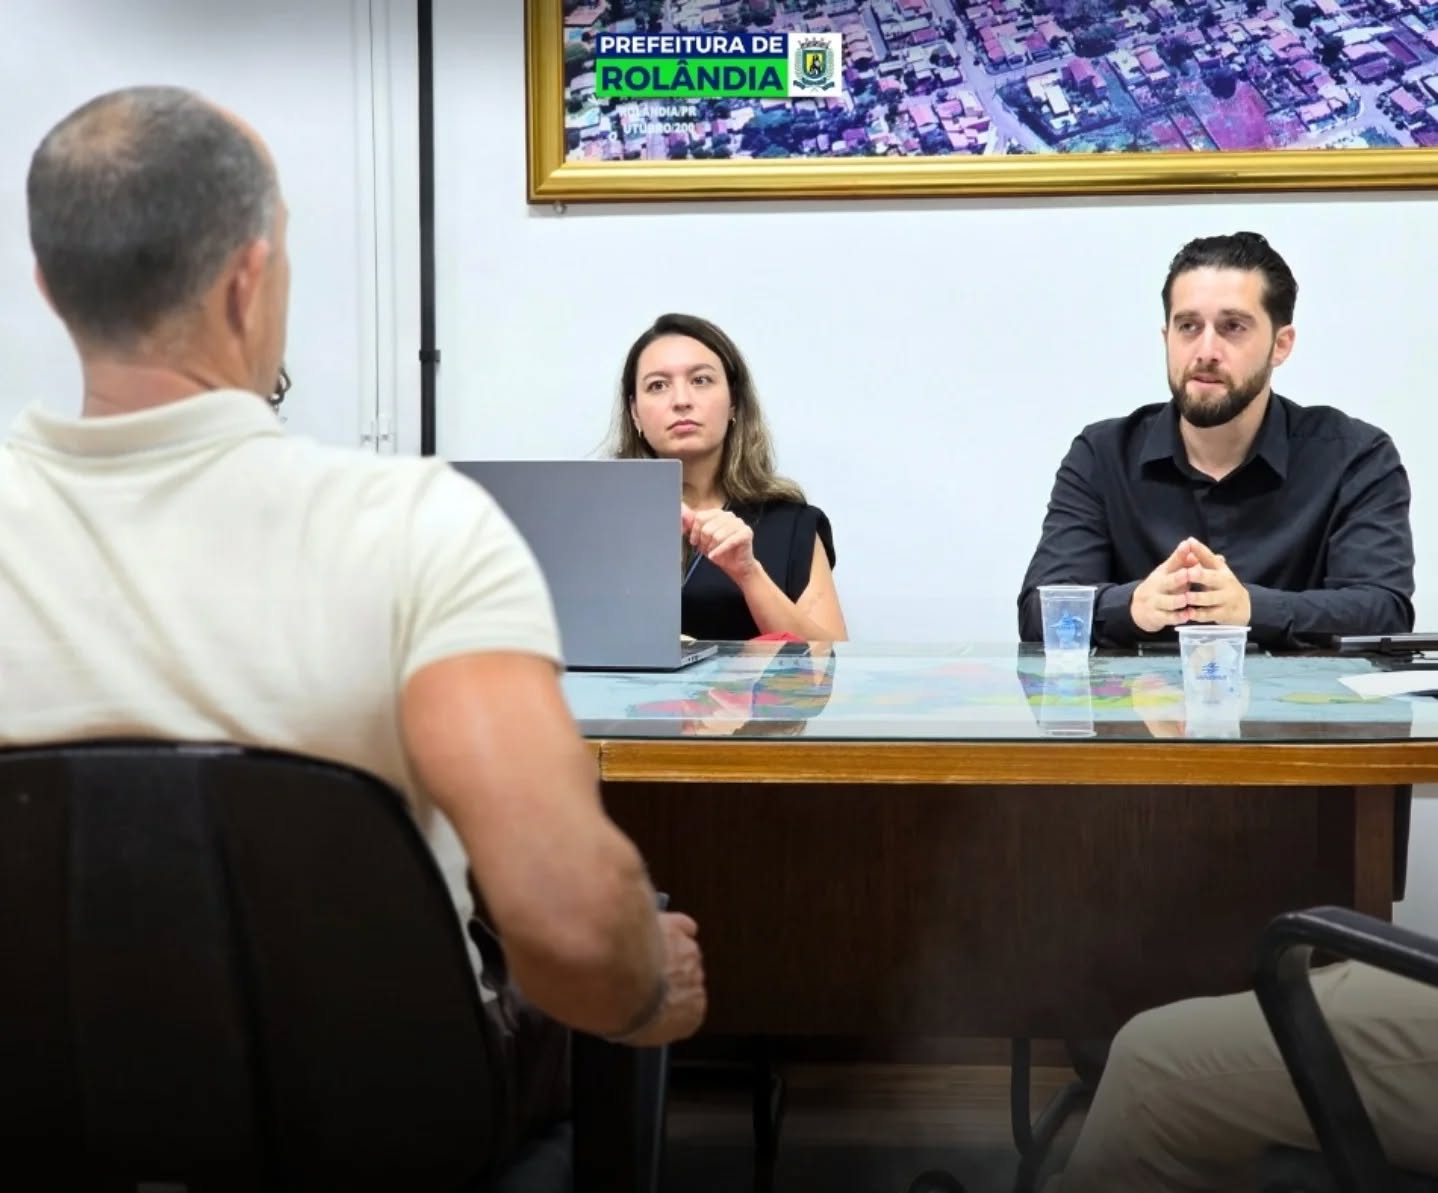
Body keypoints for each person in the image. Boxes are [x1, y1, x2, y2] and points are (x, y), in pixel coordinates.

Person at [13, 85, 704, 1166]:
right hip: (380, 1136)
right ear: (250, 279)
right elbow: (573, 933)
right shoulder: (419, 529)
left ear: (51, 287)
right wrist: (650, 978)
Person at [1017, 232, 1414, 650]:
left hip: (1296, 696)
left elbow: (1383, 610)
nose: (1206, 351)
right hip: (1143, 695)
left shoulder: (1355, 458)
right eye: (1188, 326)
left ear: (1280, 345)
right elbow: (1039, 611)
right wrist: (1131, 606)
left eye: (1233, 327)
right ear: (1166, 338)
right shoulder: (1102, 455)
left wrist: (1251, 609)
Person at [610, 313, 847, 641]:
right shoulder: (601, 518)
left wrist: (748, 573)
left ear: (734, 401)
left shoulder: (792, 524)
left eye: (700, 380)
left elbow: (830, 661)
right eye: (658, 385)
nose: (681, 401)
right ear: (635, 412)